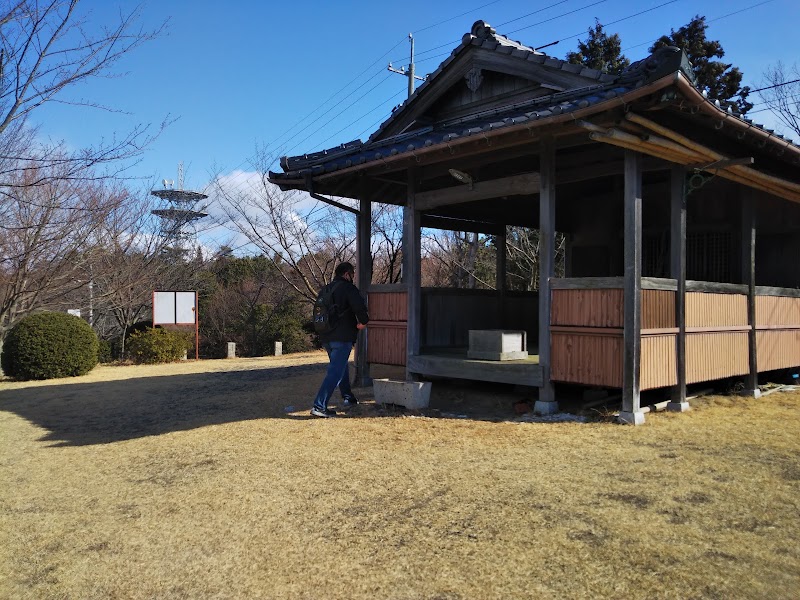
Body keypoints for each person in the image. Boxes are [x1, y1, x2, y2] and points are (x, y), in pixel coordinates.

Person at [311, 261, 369, 418]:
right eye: (352, 275)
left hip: (326, 336)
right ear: (346, 274)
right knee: (335, 371)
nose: (353, 277)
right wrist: (363, 322)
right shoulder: (348, 288)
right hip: (342, 336)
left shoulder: (325, 289)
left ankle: (348, 397)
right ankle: (319, 406)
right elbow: (359, 307)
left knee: (340, 367)